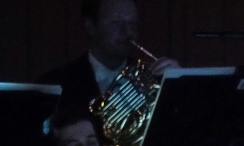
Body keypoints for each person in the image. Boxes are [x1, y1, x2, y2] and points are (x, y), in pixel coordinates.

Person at [38, 0, 179, 111]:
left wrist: (177, 84)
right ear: (90, 27)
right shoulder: (58, 83)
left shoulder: (154, 77)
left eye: (132, 22)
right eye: (115, 23)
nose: (128, 32)